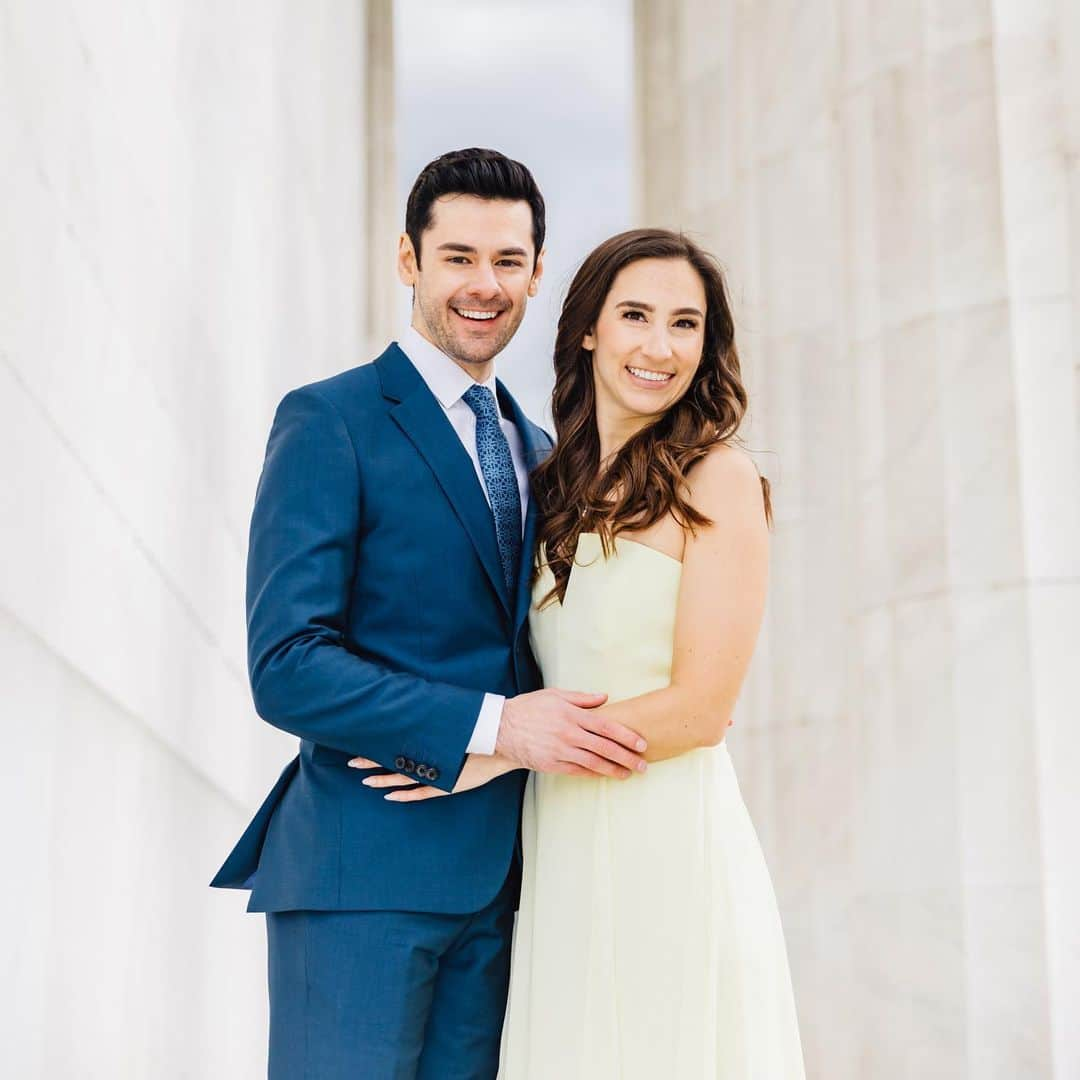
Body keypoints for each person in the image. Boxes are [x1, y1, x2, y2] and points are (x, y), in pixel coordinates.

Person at [209, 149, 650, 1080]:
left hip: (506, 885)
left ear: (536, 271)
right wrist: (491, 728)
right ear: (409, 260)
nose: (482, 285)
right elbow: (287, 661)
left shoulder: (541, 453)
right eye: (457, 257)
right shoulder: (330, 420)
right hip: (361, 874)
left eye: (506, 261)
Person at [379, 228, 806, 1077]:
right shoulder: (547, 484)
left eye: (685, 324)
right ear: (587, 329)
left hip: (669, 839)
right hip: (561, 846)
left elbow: (701, 708)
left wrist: (498, 752)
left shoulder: (715, 478)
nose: (659, 346)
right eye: (636, 315)